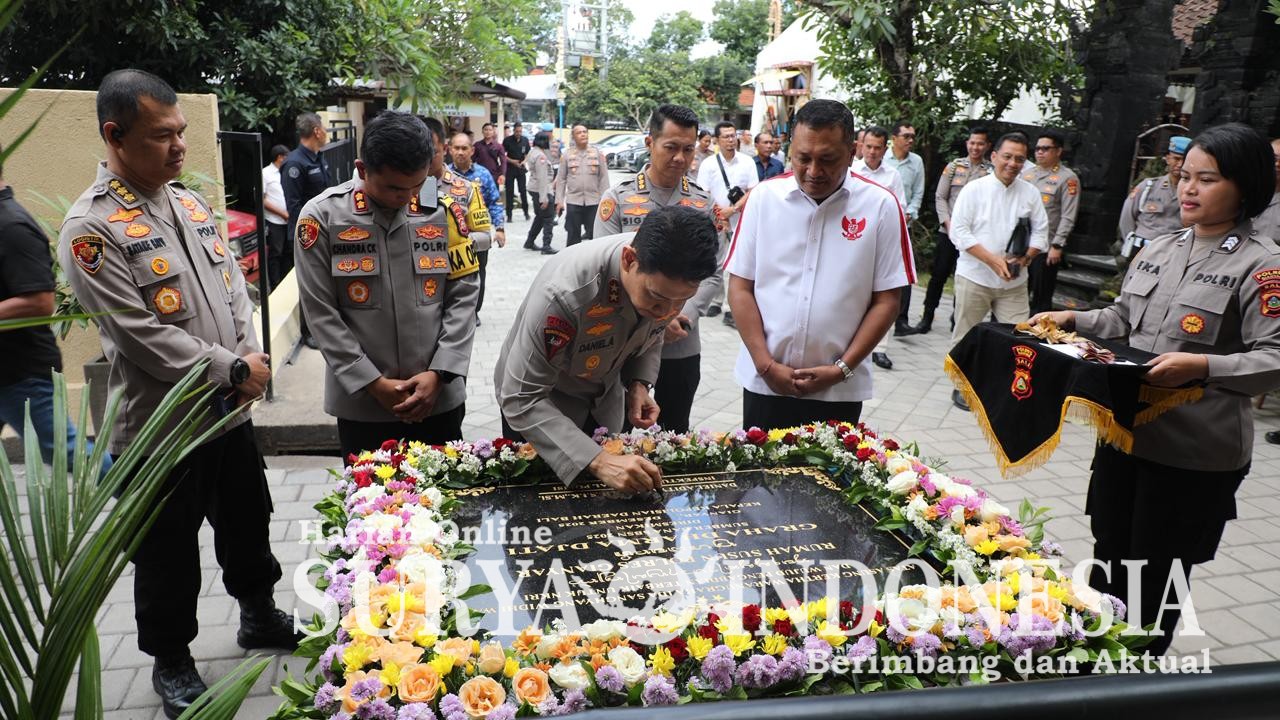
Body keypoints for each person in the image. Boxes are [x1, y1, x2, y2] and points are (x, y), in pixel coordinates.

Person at [56, 69, 295, 718]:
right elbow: (137, 335)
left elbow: (233, 289)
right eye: (162, 135)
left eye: (181, 131)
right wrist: (233, 370)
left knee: (248, 521)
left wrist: (248, 357)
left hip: (227, 415)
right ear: (115, 136)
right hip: (162, 430)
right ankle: (172, 661)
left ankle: (258, 613)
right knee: (166, 554)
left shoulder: (187, 203)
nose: (179, 145)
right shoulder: (92, 229)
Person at [1030, 123, 1280, 656]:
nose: (1187, 188)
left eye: (1207, 179)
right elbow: (1123, 318)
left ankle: (1137, 675)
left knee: (1158, 575)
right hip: (1125, 434)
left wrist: (1203, 366)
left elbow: (1274, 359)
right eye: (1185, 176)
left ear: (1245, 186)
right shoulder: (1161, 248)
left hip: (1193, 455)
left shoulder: (1263, 265)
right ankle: (1093, 661)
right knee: (1110, 555)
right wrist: (1072, 319)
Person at [294, 111, 480, 459]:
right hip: (364, 407)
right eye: (394, 188)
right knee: (370, 494)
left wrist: (440, 372)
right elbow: (320, 311)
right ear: (363, 170)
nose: (407, 197)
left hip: (438, 400)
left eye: (417, 184)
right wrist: (372, 382)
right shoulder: (322, 217)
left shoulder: (444, 211)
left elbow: (464, 295)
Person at [495, 205, 720, 490]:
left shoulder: (662, 279)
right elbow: (520, 396)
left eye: (682, 301)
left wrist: (639, 383)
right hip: (543, 416)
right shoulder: (566, 293)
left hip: (604, 407)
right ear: (629, 260)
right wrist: (599, 461)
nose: (668, 313)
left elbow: (649, 331)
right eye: (657, 298)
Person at [726, 99, 915, 431]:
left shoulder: (881, 206)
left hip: (839, 388)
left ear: (852, 152)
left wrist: (842, 369)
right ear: (790, 149)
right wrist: (765, 365)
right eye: (803, 158)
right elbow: (741, 287)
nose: (814, 171)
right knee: (758, 465)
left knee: (831, 466)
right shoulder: (763, 199)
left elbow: (888, 299)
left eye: (827, 159)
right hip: (765, 381)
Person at [595, 104, 716, 432]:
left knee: (675, 434)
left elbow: (713, 272)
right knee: (616, 432)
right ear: (650, 143)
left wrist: (682, 314)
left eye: (688, 149)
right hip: (626, 343)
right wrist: (658, 318)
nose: (680, 158)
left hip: (681, 341)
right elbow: (607, 268)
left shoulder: (703, 203)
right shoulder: (618, 199)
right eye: (671, 147)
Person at [0, 143, 112, 478]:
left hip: (20, 373)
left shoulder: (11, 226)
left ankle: (149, 497)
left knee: (66, 452)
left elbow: (40, 302)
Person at [948, 131, 1049, 410]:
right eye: (1007, 156)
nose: (1012, 163)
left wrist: (1026, 258)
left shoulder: (1030, 193)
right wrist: (992, 260)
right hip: (975, 276)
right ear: (993, 157)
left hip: (1014, 283)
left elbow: (1041, 233)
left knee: (1019, 337)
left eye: (1019, 159)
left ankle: (1006, 388)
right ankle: (962, 386)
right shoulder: (974, 189)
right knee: (967, 334)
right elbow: (959, 232)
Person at [915, 127, 991, 333]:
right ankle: (927, 316)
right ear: (967, 143)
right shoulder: (954, 166)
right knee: (938, 275)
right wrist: (947, 223)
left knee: (965, 276)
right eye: (972, 143)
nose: (975, 147)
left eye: (980, 143)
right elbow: (941, 196)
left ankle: (957, 319)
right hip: (948, 232)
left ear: (987, 146)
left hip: (973, 236)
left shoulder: (990, 172)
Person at [852, 126, 910, 367]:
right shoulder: (851, 171)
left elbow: (900, 208)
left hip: (881, 240)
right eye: (868, 146)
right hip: (854, 239)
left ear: (885, 149)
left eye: (877, 147)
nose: (872, 152)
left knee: (884, 292)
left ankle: (880, 348)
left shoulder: (892, 175)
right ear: (860, 146)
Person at [698, 122, 759, 327]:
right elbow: (704, 193)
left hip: (741, 220)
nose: (731, 140)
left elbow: (753, 190)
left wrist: (732, 210)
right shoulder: (709, 164)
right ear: (717, 140)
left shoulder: (747, 162)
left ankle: (729, 308)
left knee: (735, 264)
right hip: (716, 221)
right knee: (716, 261)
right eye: (726, 136)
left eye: (733, 136)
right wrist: (720, 215)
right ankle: (715, 301)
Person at [281, 112, 331, 349]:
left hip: (325, 231)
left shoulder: (317, 157)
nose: (327, 132)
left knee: (324, 283)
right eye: (324, 128)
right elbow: (294, 207)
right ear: (317, 131)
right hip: (307, 235)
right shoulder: (294, 163)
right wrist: (311, 232)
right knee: (309, 285)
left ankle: (323, 327)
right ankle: (308, 331)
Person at [447, 130, 505, 325]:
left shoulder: (483, 174)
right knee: (453, 275)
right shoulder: (444, 175)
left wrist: (500, 228)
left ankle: (474, 312)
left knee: (478, 275)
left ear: (472, 150)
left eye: (464, 148)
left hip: (478, 237)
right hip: (452, 239)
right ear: (449, 150)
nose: (460, 152)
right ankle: (454, 310)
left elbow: (494, 202)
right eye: (456, 148)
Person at [1022, 129, 1081, 314]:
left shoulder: (1067, 178)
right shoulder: (1027, 174)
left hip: (1046, 246)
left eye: (1046, 148)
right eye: (1037, 148)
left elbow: (1068, 214)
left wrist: (1058, 245)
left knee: (1041, 296)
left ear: (1058, 151)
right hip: (1022, 242)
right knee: (1016, 292)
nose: (1040, 152)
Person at [883, 121, 926, 337]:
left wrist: (911, 211)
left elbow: (918, 192)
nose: (910, 140)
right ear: (894, 138)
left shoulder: (916, 162)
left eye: (912, 136)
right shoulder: (882, 158)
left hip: (904, 225)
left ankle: (901, 321)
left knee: (905, 273)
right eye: (906, 136)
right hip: (882, 226)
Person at [1118, 136, 1190, 258]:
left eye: (1184, 160)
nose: (1180, 164)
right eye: (1176, 159)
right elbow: (1127, 217)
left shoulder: (1190, 191)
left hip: (1171, 251)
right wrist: (1130, 240)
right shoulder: (1149, 186)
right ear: (1168, 158)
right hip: (1142, 248)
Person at [554, 124, 611, 246]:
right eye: (579, 133)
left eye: (585, 132)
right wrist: (559, 200)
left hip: (594, 201)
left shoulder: (597, 153)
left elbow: (603, 178)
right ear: (573, 137)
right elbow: (561, 179)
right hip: (574, 201)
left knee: (595, 234)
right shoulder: (567, 155)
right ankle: (573, 257)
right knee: (573, 234)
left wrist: (605, 199)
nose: (583, 134)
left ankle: (594, 257)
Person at [523, 131, 557, 254]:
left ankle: (529, 242)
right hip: (541, 190)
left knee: (540, 217)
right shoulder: (540, 156)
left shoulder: (533, 152)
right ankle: (546, 246)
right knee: (548, 218)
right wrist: (544, 198)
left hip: (534, 188)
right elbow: (542, 178)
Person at [261, 144, 290, 288]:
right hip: (274, 221)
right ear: (280, 157)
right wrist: (282, 213)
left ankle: (286, 284)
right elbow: (262, 200)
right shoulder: (265, 173)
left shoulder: (287, 172)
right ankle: (275, 285)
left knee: (288, 253)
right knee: (276, 254)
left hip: (288, 221)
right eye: (287, 157)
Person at [503, 122, 532, 220]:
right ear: (513, 130)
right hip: (510, 168)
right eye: (516, 131)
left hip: (521, 168)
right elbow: (503, 155)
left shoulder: (525, 140)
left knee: (523, 191)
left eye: (520, 131)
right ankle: (509, 215)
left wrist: (524, 161)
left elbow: (528, 153)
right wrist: (512, 161)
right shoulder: (507, 140)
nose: (518, 133)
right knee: (509, 192)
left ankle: (526, 213)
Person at [472, 121, 508, 190]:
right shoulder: (477, 145)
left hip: (494, 175)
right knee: (479, 195)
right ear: (482, 131)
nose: (488, 132)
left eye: (490, 130)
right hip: (480, 175)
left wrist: (503, 174)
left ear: (493, 132)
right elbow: (471, 160)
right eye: (486, 130)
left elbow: (503, 161)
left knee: (493, 195)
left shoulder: (498, 146)